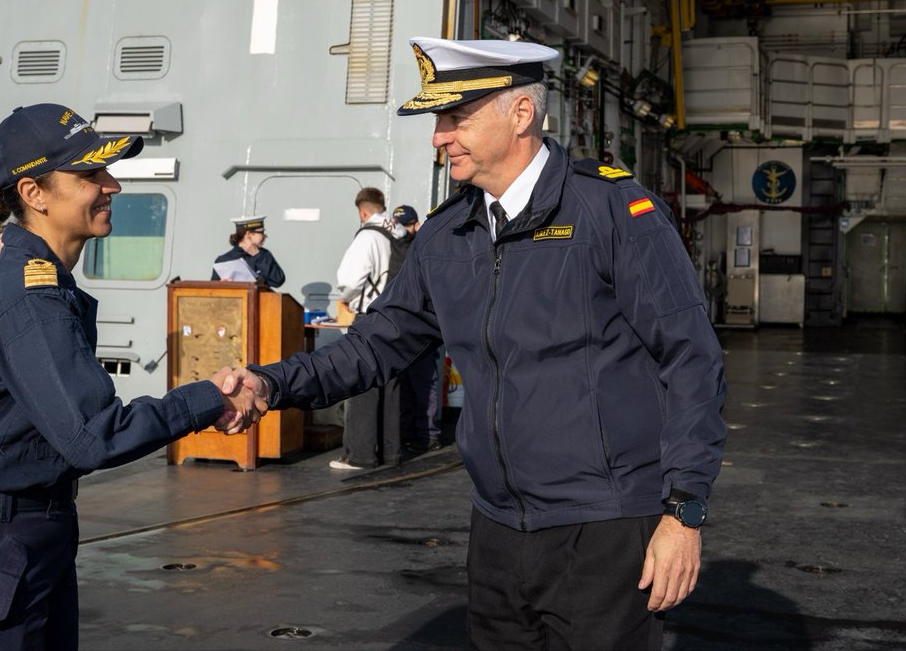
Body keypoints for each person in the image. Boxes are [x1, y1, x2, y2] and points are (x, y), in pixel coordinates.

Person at [218, 37, 728, 649]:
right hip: (496, 529)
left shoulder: (613, 211)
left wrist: (684, 511)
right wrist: (273, 383)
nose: (438, 136)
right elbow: (378, 343)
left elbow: (691, 356)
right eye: (438, 120)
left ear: (520, 114)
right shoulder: (447, 233)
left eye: (455, 118)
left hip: (606, 524)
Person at [0, 103, 266, 651]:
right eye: (89, 175)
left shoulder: (42, 284)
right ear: (34, 194)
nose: (110, 185)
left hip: (24, 539)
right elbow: (93, 433)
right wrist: (210, 397)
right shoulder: (27, 293)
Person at [327, 187, 404, 471]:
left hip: (370, 317)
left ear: (362, 211)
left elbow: (349, 280)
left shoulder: (368, 236)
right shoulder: (399, 232)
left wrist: (346, 296)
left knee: (362, 386)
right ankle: (391, 453)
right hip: (397, 317)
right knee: (390, 386)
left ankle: (360, 455)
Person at [391, 204, 442, 455]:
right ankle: (410, 431)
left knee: (424, 385)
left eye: (406, 225)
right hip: (403, 328)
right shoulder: (397, 245)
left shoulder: (424, 246)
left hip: (422, 328)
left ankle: (428, 434)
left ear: (415, 224)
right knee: (408, 385)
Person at [211, 215, 285, 287]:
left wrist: (257, 255)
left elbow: (278, 281)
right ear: (249, 234)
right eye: (262, 232)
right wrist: (220, 285)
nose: (265, 236)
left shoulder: (263, 255)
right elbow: (211, 293)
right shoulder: (222, 260)